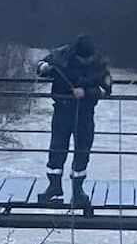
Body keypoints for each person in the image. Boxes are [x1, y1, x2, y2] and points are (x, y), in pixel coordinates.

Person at [35, 35, 112, 206]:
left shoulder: (99, 63)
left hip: (85, 111)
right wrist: (44, 67)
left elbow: (106, 88)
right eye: (83, 58)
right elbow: (40, 68)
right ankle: (54, 186)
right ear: (76, 54)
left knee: (83, 149)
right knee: (57, 147)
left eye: (89, 58)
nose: (87, 61)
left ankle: (78, 190)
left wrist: (86, 93)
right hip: (62, 108)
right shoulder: (60, 57)